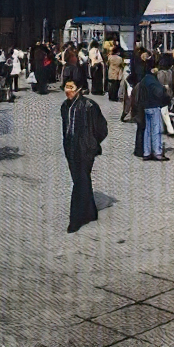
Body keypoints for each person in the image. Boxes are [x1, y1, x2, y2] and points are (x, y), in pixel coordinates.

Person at [60, 79, 108, 233]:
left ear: (79, 89)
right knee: (81, 180)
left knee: (79, 183)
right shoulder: (64, 107)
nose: (68, 91)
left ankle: (75, 219)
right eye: (66, 88)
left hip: (85, 150)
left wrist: (92, 144)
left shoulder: (89, 106)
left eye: (71, 88)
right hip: (71, 148)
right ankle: (91, 212)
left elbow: (102, 128)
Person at [137, 57, 170, 161]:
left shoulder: (144, 80)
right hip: (154, 106)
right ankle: (157, 152)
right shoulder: (152, 80)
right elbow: (159, 93)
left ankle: (146, 152)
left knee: (147, 130)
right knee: (156, 129)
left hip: (145, 107)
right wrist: (165, 88)